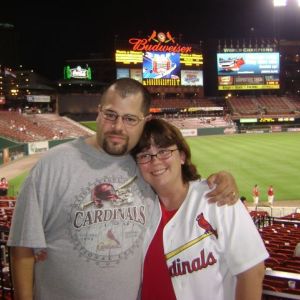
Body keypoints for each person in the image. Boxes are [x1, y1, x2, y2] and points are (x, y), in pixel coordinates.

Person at [8, 78, 239, 300]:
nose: (118, 127)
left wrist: (221, 179)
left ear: (145, 121)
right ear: (99, 112)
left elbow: (180, 191)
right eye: (110, 115)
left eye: (130, 119)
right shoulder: (53, 165)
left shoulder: (146, 165)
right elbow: (22, 248)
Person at [132, 119, 268, 300]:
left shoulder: (217, 198)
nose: (155, 161)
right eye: (144, 155)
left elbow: (252, 271)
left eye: (164, 151)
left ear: (181, 156)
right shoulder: (138, 210)